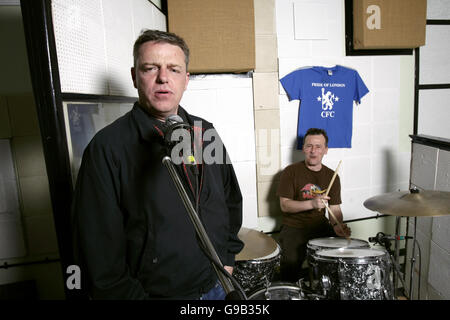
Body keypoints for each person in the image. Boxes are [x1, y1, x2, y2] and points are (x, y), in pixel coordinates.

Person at [71, 29, 244, 299]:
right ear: (134, 76)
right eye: (151, 68)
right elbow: (99, 251)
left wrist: (228, 258)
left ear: (186, 79)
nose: (163, 78)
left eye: (174, 69)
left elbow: (231, 200)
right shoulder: (106, 149)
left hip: (217, 284)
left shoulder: (204, 132)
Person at [276, 128, 351, 282]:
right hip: (294, 227)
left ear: (325, 150)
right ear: (303, 148)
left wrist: (338, 225)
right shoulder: (290, 172)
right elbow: (285, 205)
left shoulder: (332, 176)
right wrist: (312, 203)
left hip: (320, 227)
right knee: (289, 269)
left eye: (318, 147)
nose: (313, 151)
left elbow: (335, 208)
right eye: (309, 146)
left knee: (337, 263)